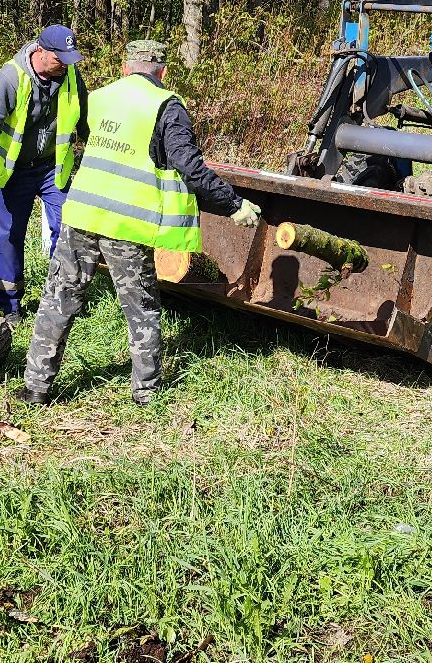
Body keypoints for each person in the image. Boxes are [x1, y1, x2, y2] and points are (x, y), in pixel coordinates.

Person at [17, 40, 262, 407]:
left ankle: (36, 387)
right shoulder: (167, 106)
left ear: (125, 67)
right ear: (163, 72)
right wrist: (233, 205)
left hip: (82, 213)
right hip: (126, 226)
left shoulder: (98, 97)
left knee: (59, 298)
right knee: (140, 309)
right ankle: (146, 392)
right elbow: (190, 168)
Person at [0, 24, 88, 319]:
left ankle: (61, 299)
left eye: (70, 58)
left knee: (68, 231)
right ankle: (9, 307)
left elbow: (85, 120)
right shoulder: (11, 78)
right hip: (14, 173)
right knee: (9, 236)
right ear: (41, 51)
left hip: (53, 170)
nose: (66, 65)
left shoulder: (71, 74)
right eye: (60, 58)